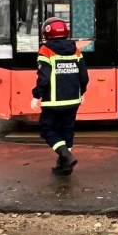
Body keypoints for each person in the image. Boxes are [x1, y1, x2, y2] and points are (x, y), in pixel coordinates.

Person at [31, 17, 89, 176]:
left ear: (47, 32)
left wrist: (37, 95)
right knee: (67, 131)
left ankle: (65, 155)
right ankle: (65, 166)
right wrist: (82, 92)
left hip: (53, 101)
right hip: (73, 100)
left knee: (47, 129)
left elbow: (44, 76)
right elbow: (84, 76)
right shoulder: (75, 49)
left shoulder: (46, 50)